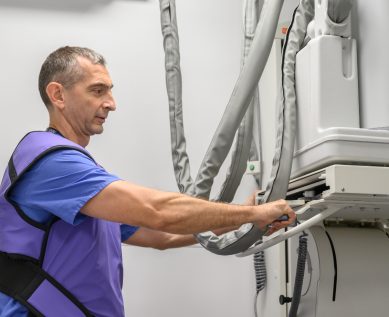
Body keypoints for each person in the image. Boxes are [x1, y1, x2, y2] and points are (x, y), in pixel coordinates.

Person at [0, 46, 295, 317]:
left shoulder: (81, 180)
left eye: (110, 91)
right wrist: (251, 214)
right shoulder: (51, 161)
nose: (111, 103)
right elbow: (159, 212)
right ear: (58, 95)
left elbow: (160, 236)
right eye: (97, 90)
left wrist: (241, 219)